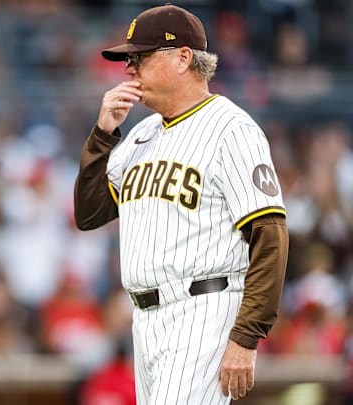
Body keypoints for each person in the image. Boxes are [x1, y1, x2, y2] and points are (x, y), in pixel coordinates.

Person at [73, 4, 289, 404]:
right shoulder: (139, 137)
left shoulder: (231, 129)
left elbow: (269, 236)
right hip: (145, 319)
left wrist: (246, 336)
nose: (129, 69)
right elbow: (88, 214)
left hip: (204, 309)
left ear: (182, 58)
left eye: (140, 57)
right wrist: (103, 136)